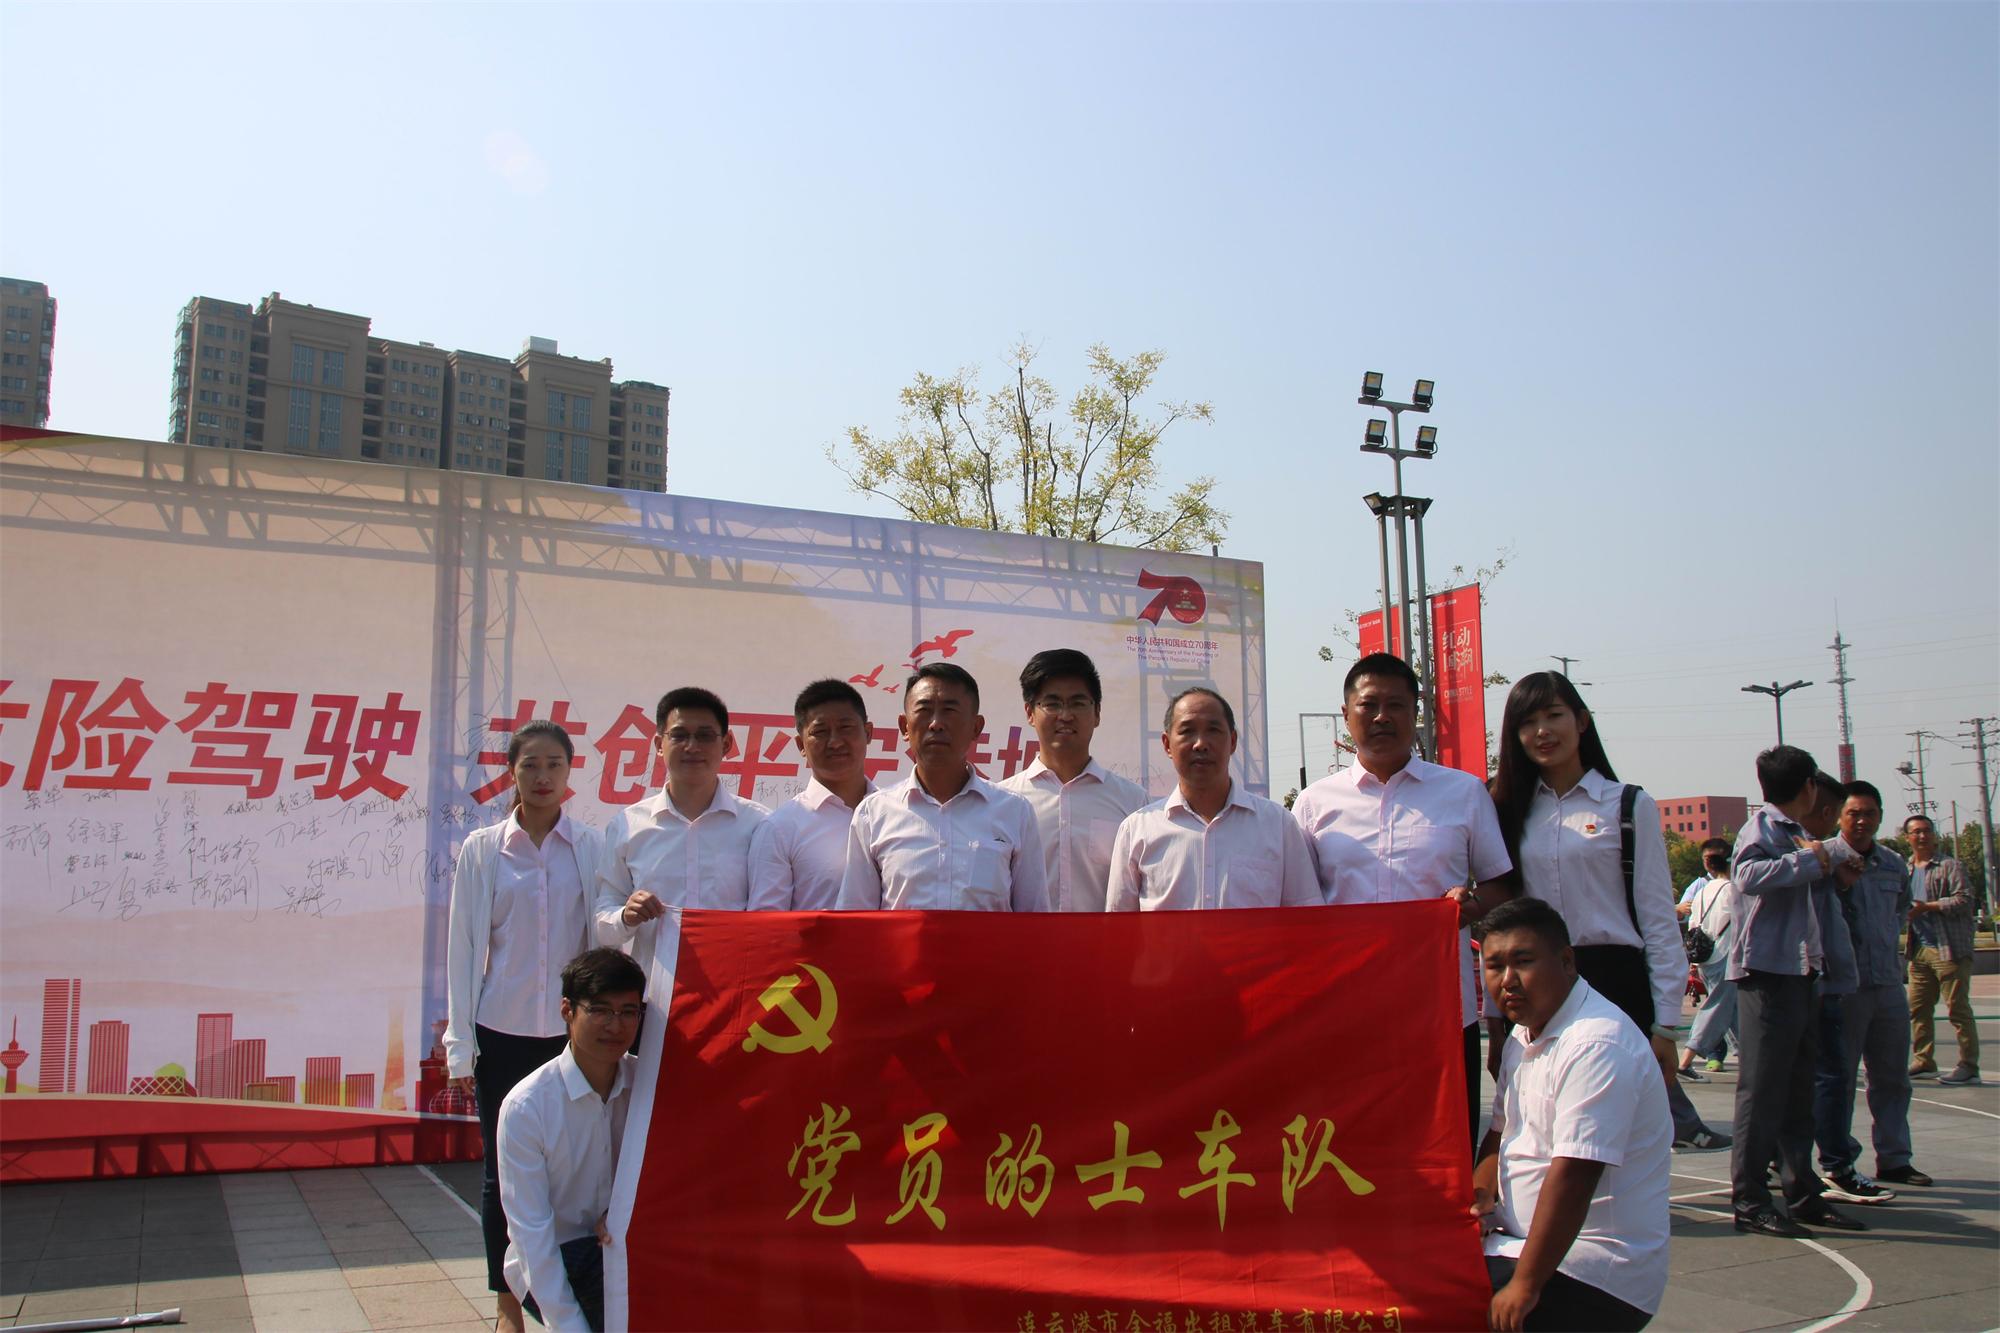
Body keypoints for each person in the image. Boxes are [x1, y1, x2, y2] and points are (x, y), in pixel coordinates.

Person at [1487, 672, 1728, 1153]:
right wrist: (1497, 1017)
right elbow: (1502, 917)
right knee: (1539, 1129)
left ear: (1581, 721)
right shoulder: (1507, 810)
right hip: (1539, 981)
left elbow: (1658, 920)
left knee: (1613, 1140)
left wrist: (1665, 1026)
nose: (1542, 731)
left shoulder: (1628, 805)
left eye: (1554, 716)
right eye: (1527, 722)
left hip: (1616, 982)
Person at [1293, 653, 1513, 1148]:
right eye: (1368, 705)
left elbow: (1501, 885)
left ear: (1417, 713)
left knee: (1444, 1147)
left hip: (1442, 1011)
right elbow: (1300, 908)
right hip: (1347, 1013)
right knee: (1353, 1151)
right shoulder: (1313, 803)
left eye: (1395, 705)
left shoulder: (1463, 793)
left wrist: (1470, 906)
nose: (1381, 717)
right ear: (1346, 714)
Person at [443, 720, 602, 1333]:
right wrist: (461, 1047)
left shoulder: (589, 847)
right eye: (530, 764)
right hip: (503, 1031)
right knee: (500, 1176)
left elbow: (600, 938)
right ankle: (507, 1305)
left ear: (569, 772)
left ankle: (575, 1292)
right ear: (511, 771)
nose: (542, 777)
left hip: (573, 1038)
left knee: (579, 1170)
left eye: (554, 765)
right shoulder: (485, 849)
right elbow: (464, 950)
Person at [1472, 897, 1670, 1333]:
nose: (1508, 980)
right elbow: (1499, 1134)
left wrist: (1525, 1285)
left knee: (1440, 1304)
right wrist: (1480, 1194)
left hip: (1594, 1266)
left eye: (1523, 961)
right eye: (1494, 965)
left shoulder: (1596, 1044)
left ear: (1566, 961)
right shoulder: (1523, 1034)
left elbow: (1575, 1175)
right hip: (1516, 1243)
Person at [1727, 747, 1864, 1237]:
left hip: (1801, 971)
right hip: (1765, 975)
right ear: (1807, 786)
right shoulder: (1762, 829)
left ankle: (1803, 1193)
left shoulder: (1797, 833)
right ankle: (1750, 1200)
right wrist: (1812, 860)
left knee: (1797, 1089)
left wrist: (1827, 860)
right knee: (1762, 1090)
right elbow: (1746, 876)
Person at [496, 947, 645, 1333]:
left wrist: (629, 1210)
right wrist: (568, 1325)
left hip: (628, 1246)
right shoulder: (527, 1107)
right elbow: (532, 1235)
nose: (615, 1025)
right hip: (559, 1253)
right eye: (600, 1010)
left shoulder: (649, 1087)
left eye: (628, 1012)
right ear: (567, 1010)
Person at [838, 663, 1049, 911]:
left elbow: (1034, 918)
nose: (936, 724)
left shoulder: (1014, 811)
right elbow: (855, 918)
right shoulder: (873, 814)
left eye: (950, 710)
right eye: (924, 710)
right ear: (904, 727)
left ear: (976, 727)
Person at [595, 687, 768, 969]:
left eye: (705, 736)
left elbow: (771, 918)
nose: (692, 747)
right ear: (658, 744)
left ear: (726, 744)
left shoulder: (758, 824)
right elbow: (603, 925)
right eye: (679, 735)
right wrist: (626, 916)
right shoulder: (628, 825)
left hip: (734, 983)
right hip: (654, 989)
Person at [1107, 687, 1320, 911]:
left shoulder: (1279, 825)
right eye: (1187, 731)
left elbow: (1306, 917)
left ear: (1233, 741)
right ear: (1167, 744)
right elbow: (1119, 925)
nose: (1200, 744)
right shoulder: (1137, 831)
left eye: (1213, 730)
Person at [1818, 780, 1931, 1197]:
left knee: (1892, 1078)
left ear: (1880, 817)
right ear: (1839, 816)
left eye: (1869, 813)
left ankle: (1895, 1158)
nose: (1862, 821)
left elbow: (1900, 910)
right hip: (1843, 986)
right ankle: (1840, 1161)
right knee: (1841, 1079)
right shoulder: (1824, 858)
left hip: (1886, 984)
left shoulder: (1893, 864)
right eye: (1854, 813)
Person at [999, 649, 1150, 912]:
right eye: (1052, 704)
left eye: (1078, 703)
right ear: (1030, 712)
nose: (1066, 715)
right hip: (1027, 940)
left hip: (1105, 940)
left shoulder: (1133, 802)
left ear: (1097, 713)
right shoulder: (1003, 802)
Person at [749, 680, 877, 911]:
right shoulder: (780, 828)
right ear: (801, 744)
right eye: (820, 732)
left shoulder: (898, 813)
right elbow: (767, 922)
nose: (835, 742)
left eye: (846, 728)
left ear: (868, 733)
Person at [1903, 814, 1981, 1086]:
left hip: (1948, 948)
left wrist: (1929, 907)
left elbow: (1965, 899)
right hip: (1918, 949)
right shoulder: (1906, 868)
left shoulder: (1950, 866)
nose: (1922, 836)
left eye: (1927, 831)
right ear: (1907, 837)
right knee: (1918, 1008)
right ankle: (1924, 1061)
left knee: (1957, 1009)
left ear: (1934, 835)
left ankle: (1968, 1065)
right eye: (1916, 832)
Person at [1678, 840, 1739, 1078]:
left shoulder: (1702, 890)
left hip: (1705, 957)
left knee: (1732, 1009)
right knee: (1716, 1008)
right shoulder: (1734, 890)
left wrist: (1694, 964)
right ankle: (1686, 1061)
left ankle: (1752, 1058)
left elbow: (1693, 925)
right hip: (1726, 955)